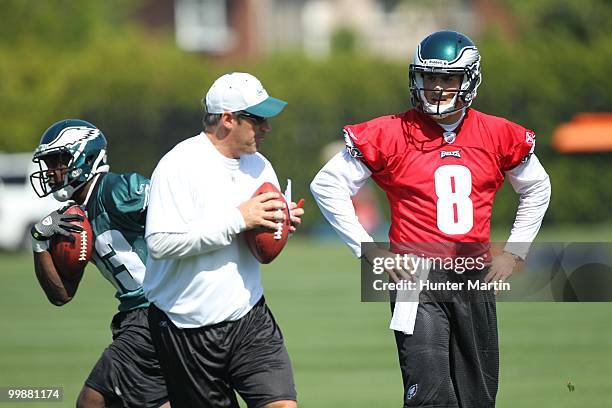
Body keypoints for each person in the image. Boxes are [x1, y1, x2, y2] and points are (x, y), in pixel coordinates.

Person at [310, 30, 551, 407]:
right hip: (414, 276)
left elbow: (537, 187)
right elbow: (327, 185)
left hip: (474, 274)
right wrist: (370, 250)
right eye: (429, 77)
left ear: (469, 80)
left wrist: (515, 251)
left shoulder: (498, 133)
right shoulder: (391, 131)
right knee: (429, 396)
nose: (436, 87)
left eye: (448, 78)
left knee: (477, 398)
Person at [143, 72, 304, 408]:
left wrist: (279, 221)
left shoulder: (260, 165)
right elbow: (159, 243)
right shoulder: (178, 166)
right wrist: (238, 219)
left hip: (250, 318)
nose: (267, 128)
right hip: (188, 328)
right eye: (258, 119)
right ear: (228, 119)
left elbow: (258, 232)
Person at [30, 119, 169, 408]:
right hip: (138, 318)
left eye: (58, 161)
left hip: (155, 312)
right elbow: (61, 295)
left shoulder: (118, 189)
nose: (51, 172)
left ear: (85, 157)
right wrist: (39, 243)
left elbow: (179, 210)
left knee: (92, 401)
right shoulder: (72, 218)